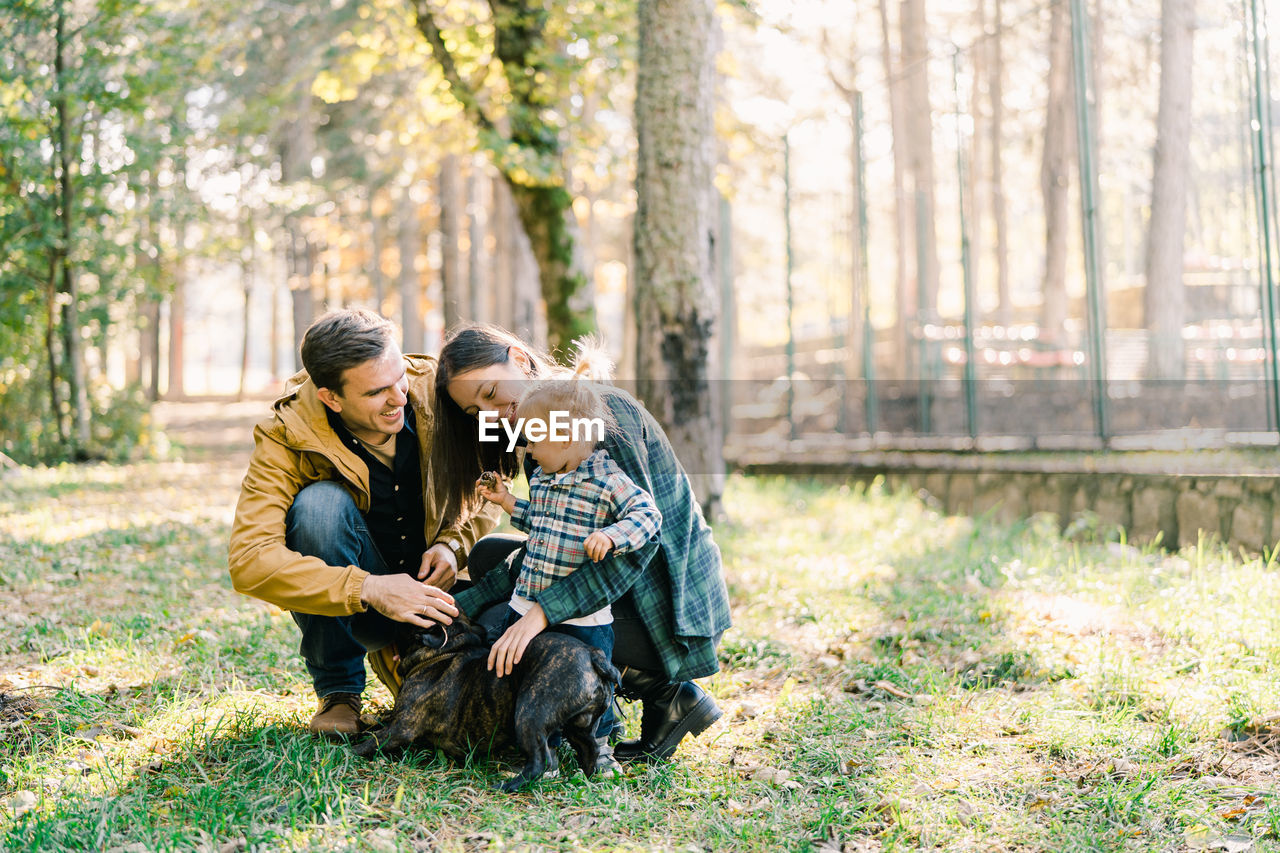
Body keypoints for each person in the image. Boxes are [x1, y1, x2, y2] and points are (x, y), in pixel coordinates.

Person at [431, 323, 731, 763]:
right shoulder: (539, 425)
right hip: (629, 592)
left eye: (491, 392)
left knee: (515, 623)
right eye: (477, 411)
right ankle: (656, 696)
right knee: (488, 558)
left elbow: (637, 551)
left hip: (668, 603)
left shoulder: (597, 415)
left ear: (517, 358)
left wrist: (541, 614)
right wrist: (464, 602)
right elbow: (552, 540)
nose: (491, 415)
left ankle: (658, 687)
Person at [228, 309, 499, 738]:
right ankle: (339, 692)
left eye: (399, 378)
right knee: (318, 507)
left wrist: (453, 543)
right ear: (331, 398)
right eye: (377, 392)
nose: (399, 398)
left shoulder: (435, 390)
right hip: (362, 606)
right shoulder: (285, 435)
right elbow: (249, 562)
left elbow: (490, 481)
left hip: (442, 591)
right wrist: (369, 588)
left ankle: (415, 656)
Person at [475, 367, 664, 775]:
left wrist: (614, 535)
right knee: (530, 676)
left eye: (533, 438)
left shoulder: (608, 481)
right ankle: (544, 749)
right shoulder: (545, 476)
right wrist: (507, 501)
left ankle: (599, 746)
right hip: (527, 602)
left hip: (581, 619)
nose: (526, 448)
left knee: (590, 683)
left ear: (564, 437)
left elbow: (648, 516)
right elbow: (541, 525)